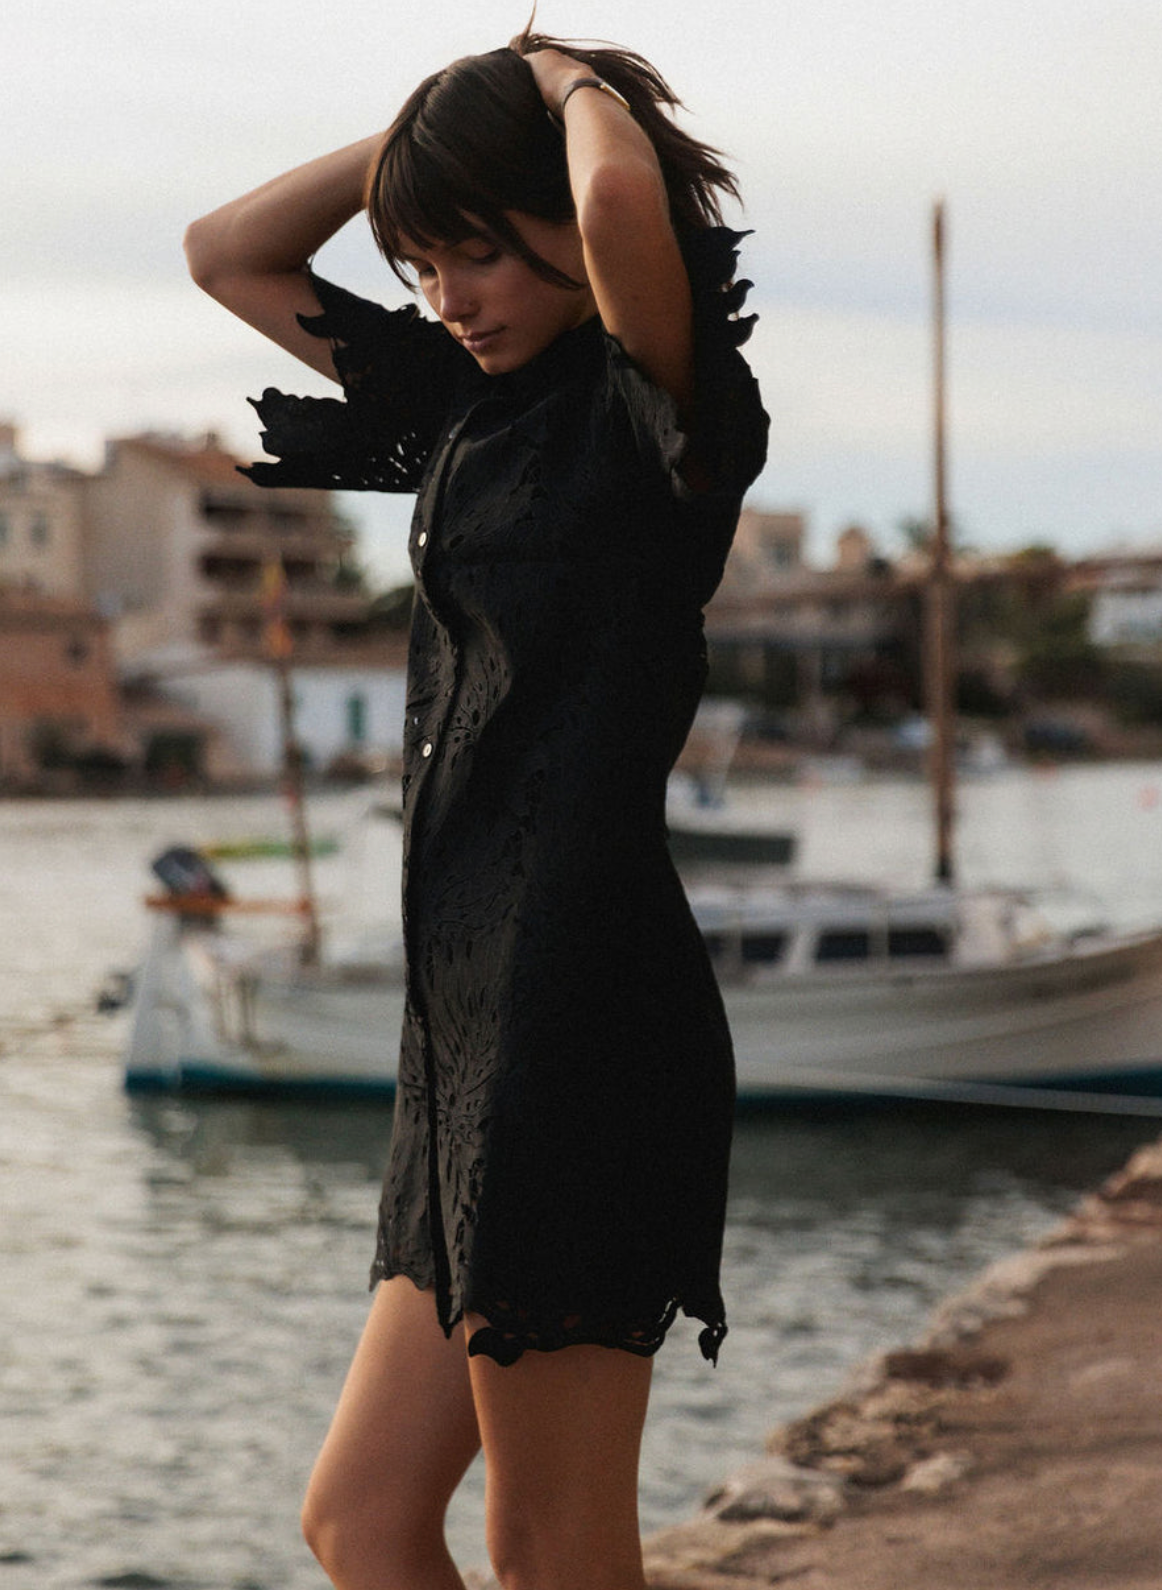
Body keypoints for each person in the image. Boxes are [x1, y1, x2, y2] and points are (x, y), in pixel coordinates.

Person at [185, 31, 768, 1590]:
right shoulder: (461, 404)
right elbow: (227, 251)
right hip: (456, 1042)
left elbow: (628, 213)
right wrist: (425, 137)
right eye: (421, 261)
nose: (448, 296)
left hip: (581, 1021)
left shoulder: (661, 409)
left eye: (482, 252)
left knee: (550, 1542)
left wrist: (565, 81)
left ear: (564, 219)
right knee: (362, 1519)